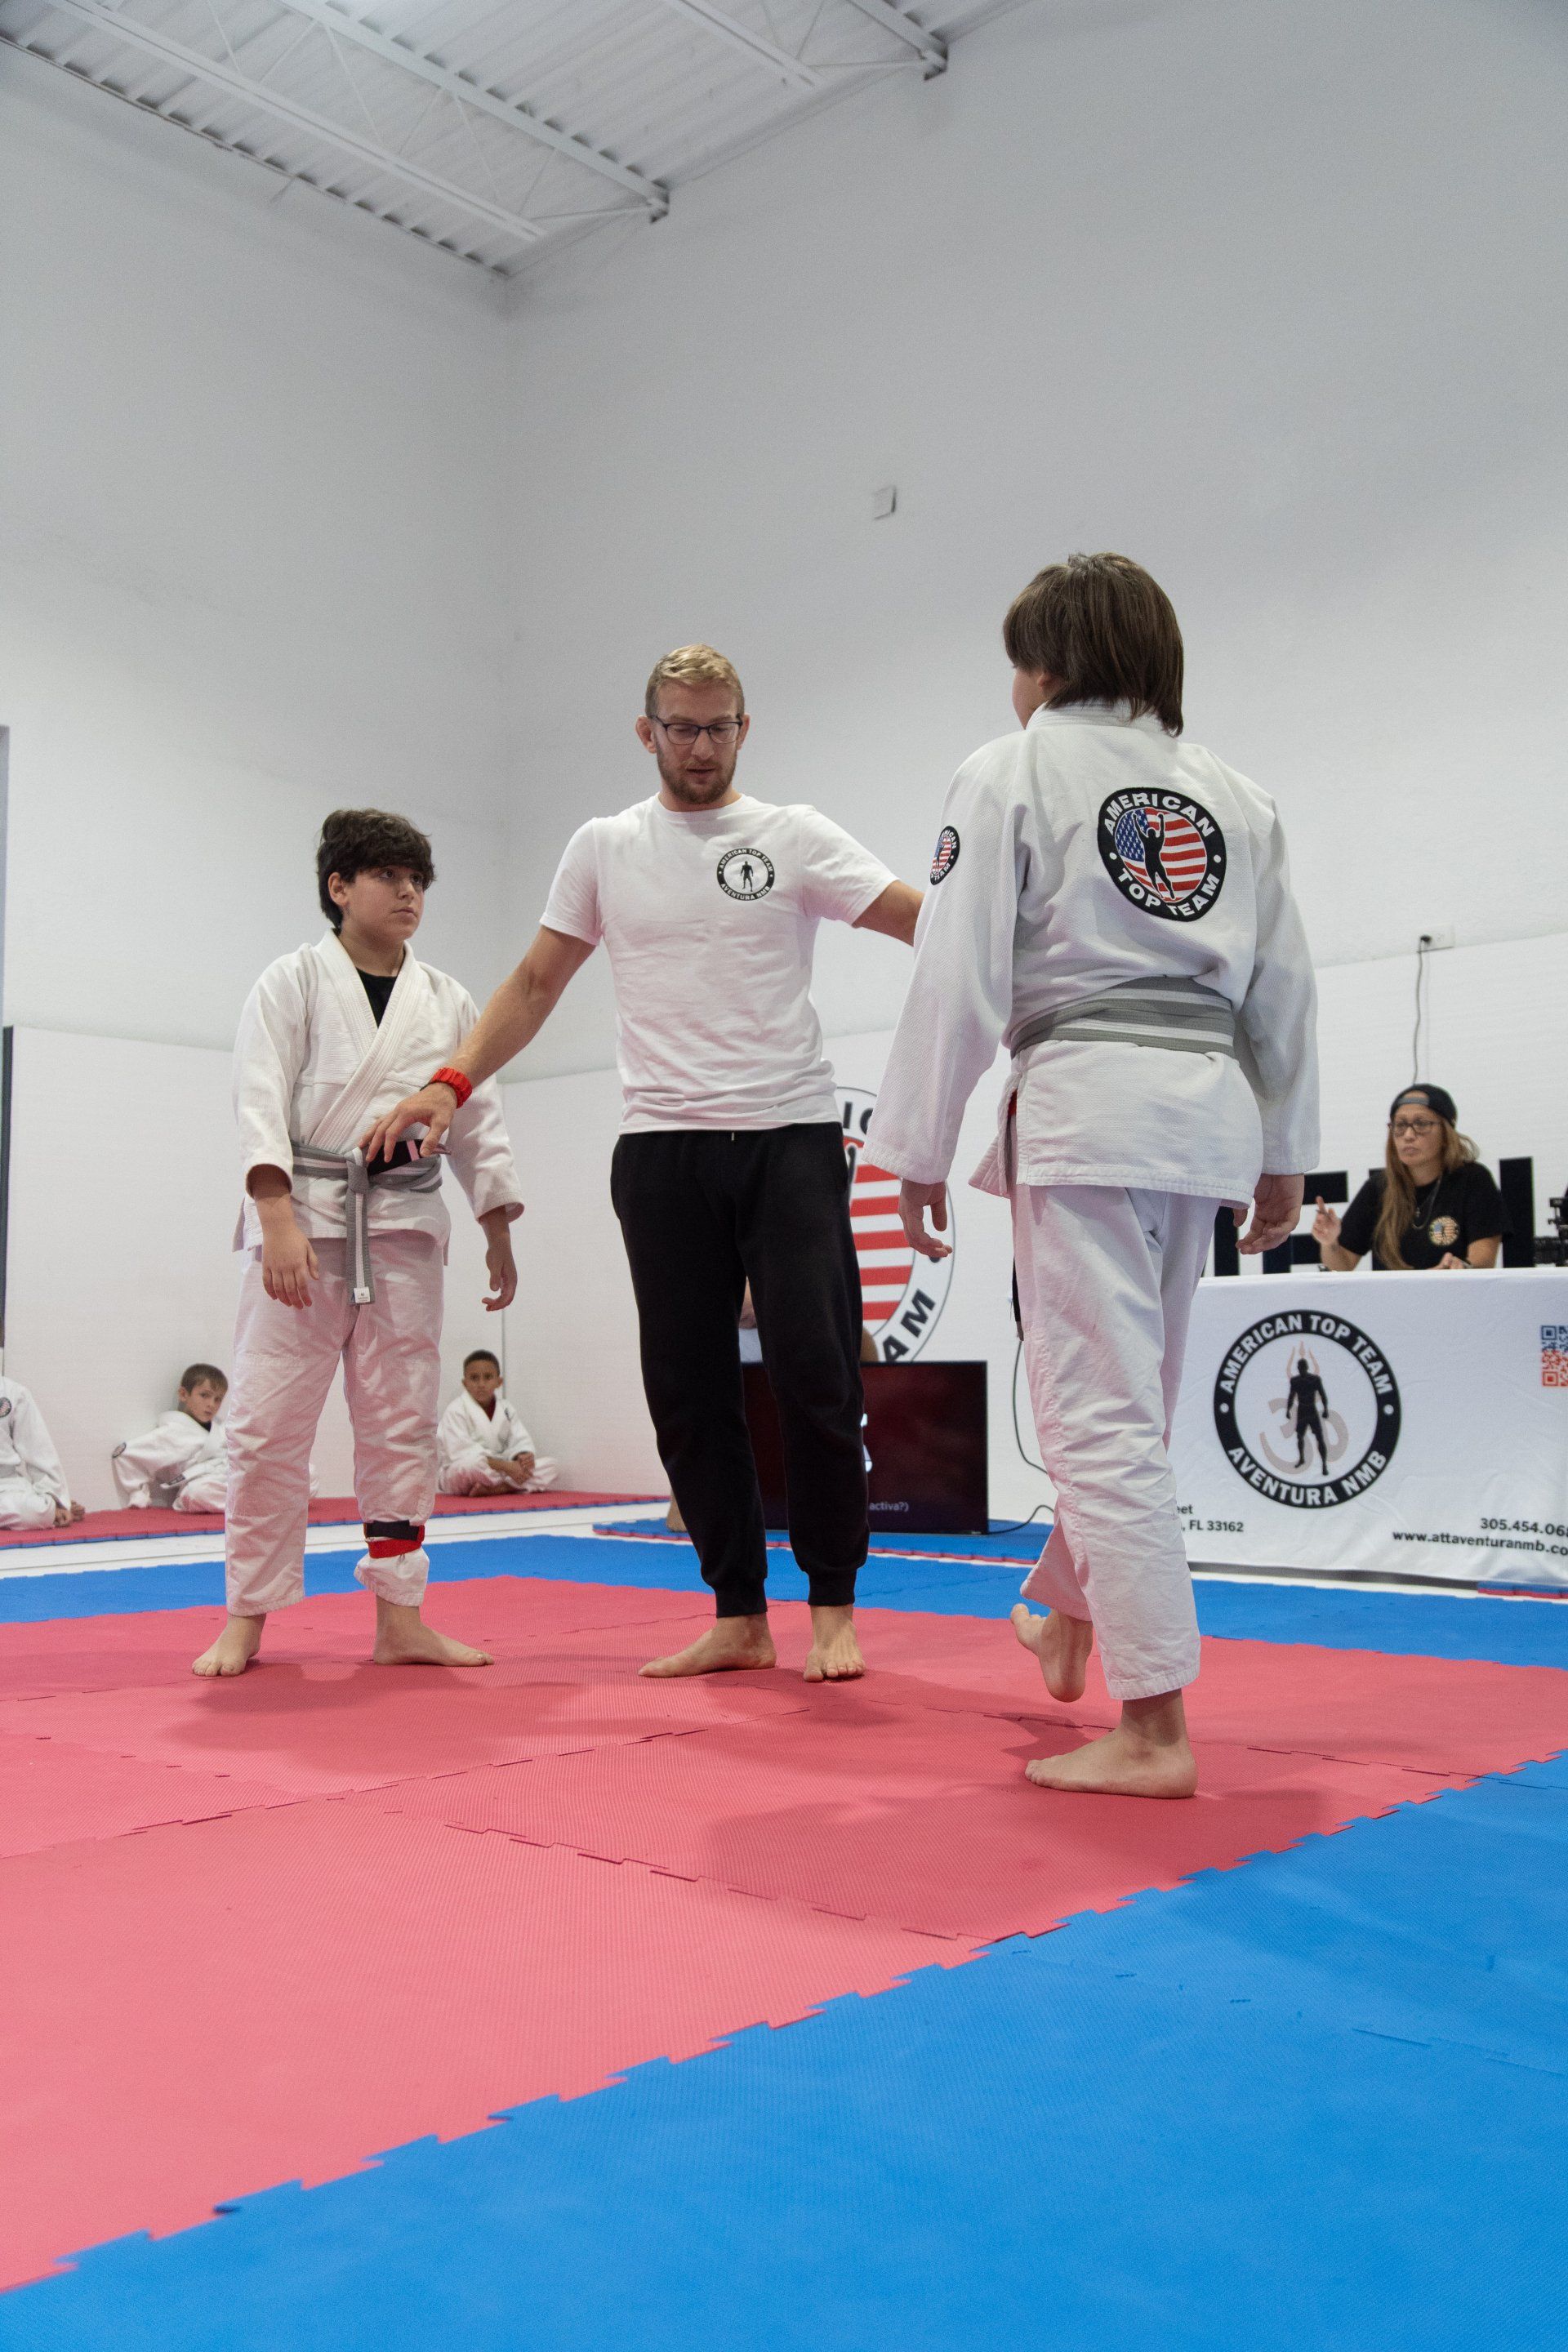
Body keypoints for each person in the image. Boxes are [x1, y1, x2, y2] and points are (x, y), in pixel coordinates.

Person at [364, 644, 922, 1682]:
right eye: (681, 728)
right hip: (663, 1147)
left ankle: (833, 1608)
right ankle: (738, 1613)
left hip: (790, 1137)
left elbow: (912, 920)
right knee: (687, 1390)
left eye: (718, 727)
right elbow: (536, 982)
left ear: (744, 729)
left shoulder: (793, 835)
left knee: (816, 1375)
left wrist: (1022, 952)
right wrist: (450, 1082)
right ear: (646, 732)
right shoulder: (604, 847)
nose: (700, 747)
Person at [866, 552, 1318, 1798]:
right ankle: (1066, 1618)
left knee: (1098, 1417)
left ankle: (1155, 1726)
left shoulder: (1012, 768)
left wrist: (912, 1145)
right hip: (1206, 1115)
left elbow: (957, 968)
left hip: (1089, 1104)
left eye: (1019, 664)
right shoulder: (1238, 796)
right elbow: (1286, 989)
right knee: (1137, 1403)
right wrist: (1286, 1151)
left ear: (1050, 665)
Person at [192, 809, 523, 1677]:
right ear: (338, 887)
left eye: (417, 880)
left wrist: (495, 1223)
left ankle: (401, 1618)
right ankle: (247, 1614)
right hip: (303, 1224)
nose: (409, 893)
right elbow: (258, 1097)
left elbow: (478, 1115)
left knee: (401, 1427)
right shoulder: (292, 981)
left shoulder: (447, 999)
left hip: (405, 1226)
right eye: (388, 876)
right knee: (264, 1427)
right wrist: (275, 1218)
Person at [1313, 1085, 1505, 1270]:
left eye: (1421, 1124)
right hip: (1394, 1294)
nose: (1408, 1135)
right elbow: (1341, 1266)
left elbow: (1484, 1261)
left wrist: (1458, 1269)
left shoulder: (1473, 1180)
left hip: (1453, 1291)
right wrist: (1330, 1242)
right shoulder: (1379, 1187)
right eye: (1400, 1125)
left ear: (1446, 1132)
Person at [438, 1348, 558, 1495]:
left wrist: (524, 1456)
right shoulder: (456, 1410)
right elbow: (461, 1453)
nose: (481, 1384)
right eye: (474, 1378)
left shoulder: (506, 1409)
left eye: (488, 1377)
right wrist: (507, 1467)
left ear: (499, 1382)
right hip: (469, 1470)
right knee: (472, 1466)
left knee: (552, 1466)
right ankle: (509, 1485)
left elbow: (520, 1440)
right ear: (465, 1383)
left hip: (503, 1468)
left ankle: (499, 1488)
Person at [114, 1365, 230, 1512]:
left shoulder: (222, 1428)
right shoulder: (172, 1432)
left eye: (218, 1399)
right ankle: (243, 1508)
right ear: (183, 1394)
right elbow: (127, 1454)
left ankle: (247, 1504)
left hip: (230, 1477)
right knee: (195, 1493)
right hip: (205, 1483)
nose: (211, 1404)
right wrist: (137, 1493)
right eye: (204, 1395)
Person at [0, 1379, 85, 1530]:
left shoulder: (13, 1392)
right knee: (41, 1510)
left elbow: (38, 1450)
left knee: (35, 1511)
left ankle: (48, 1505)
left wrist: (54, 1497)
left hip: (5, 1484)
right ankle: (46, 1508)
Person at [1285, 1353, 1330, 1473]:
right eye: (1300, 1368)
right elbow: (1291, 1395)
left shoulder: (1315, 1379)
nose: (1302, 1370)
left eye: (1303, 1368)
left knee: (1319, 1437)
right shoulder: (1295, 1381)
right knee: (1300, 1436)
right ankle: (1302, 1459)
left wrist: (1325, 1409)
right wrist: (1288, 1409)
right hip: (1302, 1411)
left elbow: (1322, 1394)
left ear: (1306, 1368)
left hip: (1311, 1409)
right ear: (1299, 1368)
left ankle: (1324, 1464)